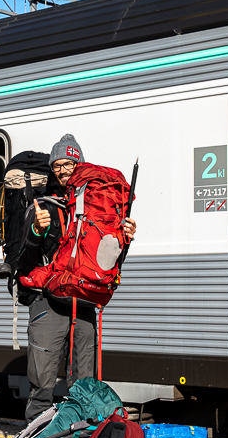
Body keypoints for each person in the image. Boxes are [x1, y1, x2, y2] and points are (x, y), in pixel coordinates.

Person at [15, 134, 137, 422]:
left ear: (80, 164)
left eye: (69, 163)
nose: (63, 169)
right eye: (57, 165)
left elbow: (107, 263)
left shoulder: (98, 208)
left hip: (83, 301)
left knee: (84, 384)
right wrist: (34, 232)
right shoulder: (44, 206)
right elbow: (22, 264)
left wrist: (125, 240)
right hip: (48, 303)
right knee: (41, 384)